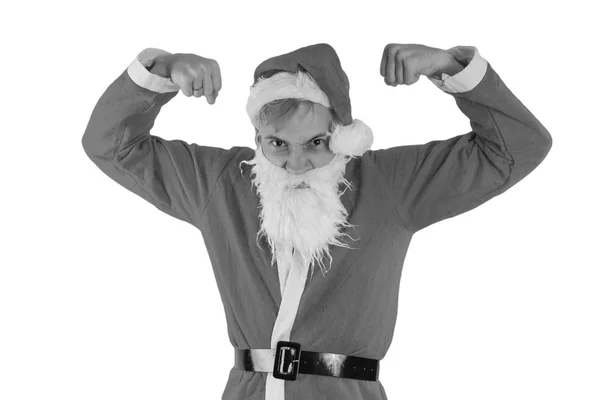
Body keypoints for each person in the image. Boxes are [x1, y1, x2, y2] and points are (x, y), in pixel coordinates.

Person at [81, 43, 552, 400]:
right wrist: (160, 68)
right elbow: (110, 145)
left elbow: (517, 147)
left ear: (343, 133)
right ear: (256, 137)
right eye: (277, 144)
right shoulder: (221, 183)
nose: (298, 163)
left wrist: (450, 67)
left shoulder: (391, 184)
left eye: (316, 143)